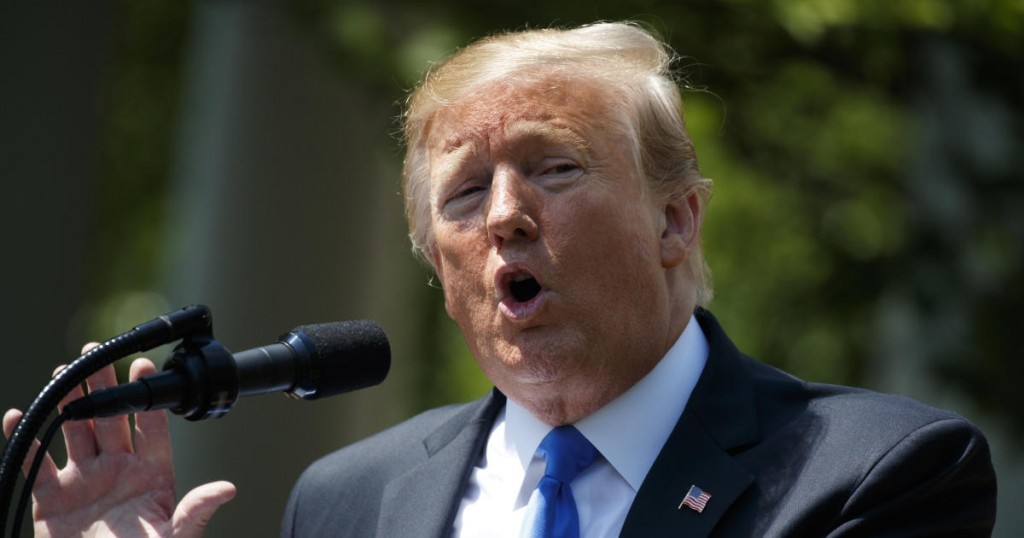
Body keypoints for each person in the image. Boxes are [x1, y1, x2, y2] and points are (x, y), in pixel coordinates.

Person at [3, 22, 996, 537]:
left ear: (674, 217)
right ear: (440, 269)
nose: (506, 216)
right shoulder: (350, 500)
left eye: (556, 167)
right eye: (463, 194)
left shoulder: (874, 471)